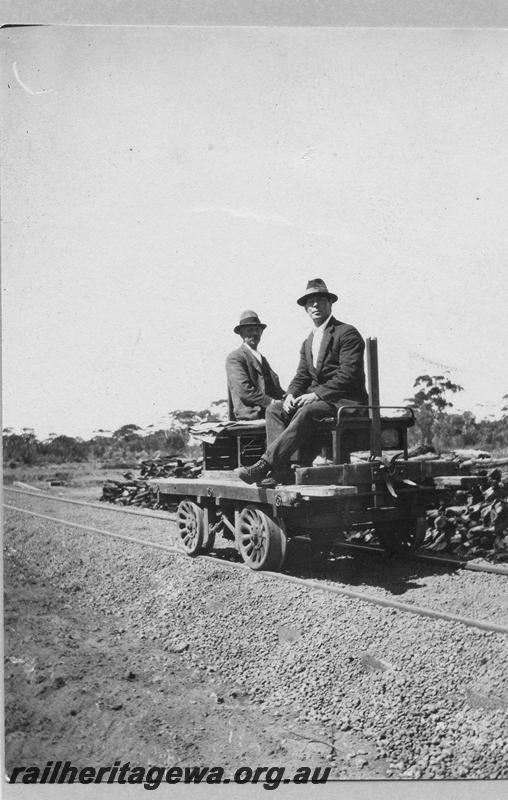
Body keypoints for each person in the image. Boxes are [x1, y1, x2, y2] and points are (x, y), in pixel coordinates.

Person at [236, 279, 368, 483]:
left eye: (320, 301)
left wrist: (316, 394)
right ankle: (283, 471)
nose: (315, 305)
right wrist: (290, 395)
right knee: (275, 409)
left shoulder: (346, 333)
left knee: (308, 410)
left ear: (330, 304)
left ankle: (264, 465)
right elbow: (301, 376)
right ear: (305, 308)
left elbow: (348, 375)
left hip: (345, 402)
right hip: (322, 402)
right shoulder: (308, 341)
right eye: (310, 302)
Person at [226, 310, 285, 420]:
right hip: (251, 413)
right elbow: (244, 390)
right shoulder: (235, 357)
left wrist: (289, 398)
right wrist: (272, 402)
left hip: (268, 411)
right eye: (250, 330)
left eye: (257, 330)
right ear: (242, 334)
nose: (254, 333)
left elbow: (276, 389)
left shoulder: (261, 358)